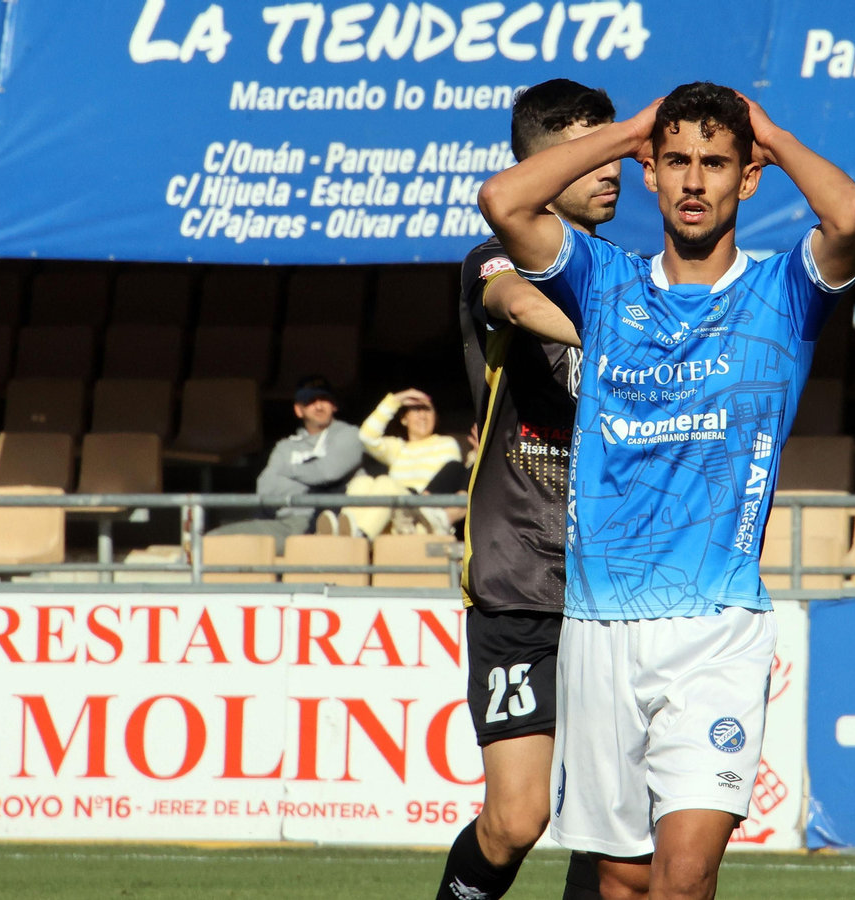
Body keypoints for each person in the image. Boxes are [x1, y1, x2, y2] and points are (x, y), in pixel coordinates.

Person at [478, 83, 855, 900]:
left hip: (717, 629)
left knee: (686, 876)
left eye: (718, 163)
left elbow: (852, 218)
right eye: (678, 162)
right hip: (598, 626)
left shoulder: (783, 293)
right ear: (651, 174)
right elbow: (503, 200)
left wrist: (769, 130)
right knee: (622, 878)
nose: (696, 181)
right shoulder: (601, 281)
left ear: (749, 177)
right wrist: (630, 131)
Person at [433, 78, 620, 900]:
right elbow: (512, 298)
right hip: (519, 571)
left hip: (614, 579)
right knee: (514, 821)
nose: (616, 167)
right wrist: (618, 330)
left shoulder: (629, 270)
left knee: (611, 819)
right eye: (596, 152)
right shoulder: (493, 257)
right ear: (547, 163)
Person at [208, 375, 363, 554]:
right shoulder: (285, 446)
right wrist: (311, 485)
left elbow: (328, 472)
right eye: (311, 401)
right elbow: (265, 488)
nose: (319, 406)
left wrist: (288, 472)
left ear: (334, 405)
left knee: (225, 548)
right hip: (281, 522)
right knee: (212, 540)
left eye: (324, 400)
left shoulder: (350, 435)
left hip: (320, 523)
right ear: (299, 410)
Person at [342, 388, 464, 538]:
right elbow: (366, 436)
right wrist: (395, 401)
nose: (423, 416)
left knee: (385, 483)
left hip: (419, 514)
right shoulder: (398, 448)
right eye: (416, 410)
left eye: (428, 410)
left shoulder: (446, 444)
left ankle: (359, 535)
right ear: (404, 419)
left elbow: (449, 481)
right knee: (361, 482)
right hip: (392, 515)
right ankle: (346, 532)